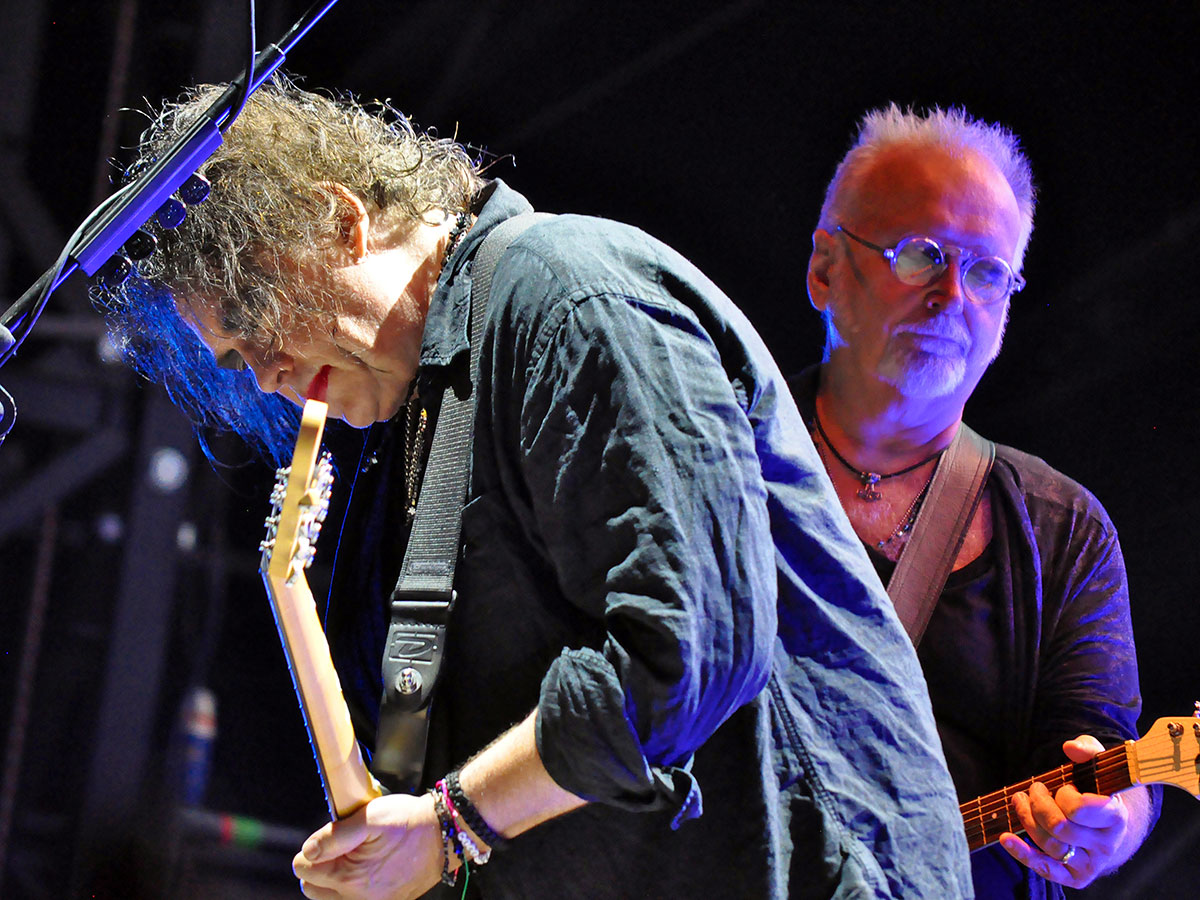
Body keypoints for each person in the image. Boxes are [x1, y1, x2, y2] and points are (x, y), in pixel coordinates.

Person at [98, 78, 973, 899]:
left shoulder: (568, 296)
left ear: (339, 223)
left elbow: (690, 645)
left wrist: (451, 825)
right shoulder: (418, 414)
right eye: (234, 359)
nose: (263, 374)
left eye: (253, 324)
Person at [791, 104, 1158, 900]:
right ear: (825, 269)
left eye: (987, 271)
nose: (952, 294)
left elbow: (1101, 748)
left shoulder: (1065, 530)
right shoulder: (717, 460)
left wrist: (1111, 822)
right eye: (922, 254)